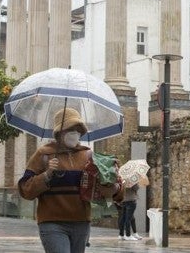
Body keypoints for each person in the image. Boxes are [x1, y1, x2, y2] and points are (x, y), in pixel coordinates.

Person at [18, 107, 123, 253]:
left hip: (81, 223)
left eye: (78, 129)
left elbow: (114, 191)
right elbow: (25, 190)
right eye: (70, 129)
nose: (75, 133)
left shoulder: (88, 156)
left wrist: (114, 188)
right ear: (59, 133)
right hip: (52, 223)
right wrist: (47, 175)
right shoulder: (44, 154)